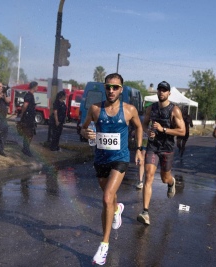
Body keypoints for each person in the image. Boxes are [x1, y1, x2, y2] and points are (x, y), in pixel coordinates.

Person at [80, 73, 143, 265]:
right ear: (104, 88)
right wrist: (86, 132)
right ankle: (117, 209)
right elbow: (83, 129)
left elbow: (139, 127)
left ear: (121, 89)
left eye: (115, 87)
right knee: (110, 198)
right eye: (108, 87)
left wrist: (139, 150)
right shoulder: (95, 109)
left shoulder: (129, 110)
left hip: (120, 159)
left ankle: (104, 245)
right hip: (101, 159)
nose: (111, 90)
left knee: (107, 197)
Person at [137, 81, 185, 226]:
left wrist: (163, 129)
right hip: (153, 146)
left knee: (164, 178)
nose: (161, 92)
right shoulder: (151, 109)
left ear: (169, 93)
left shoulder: (174, 110)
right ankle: (145, 212)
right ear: (157, 92)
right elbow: (144, 124)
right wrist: (148, 131)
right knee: (148, 176)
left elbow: (182, 131)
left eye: (164, 90)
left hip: (167, 148)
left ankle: (171, 182)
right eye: (160, 90)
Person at [20, 81, 38, 157]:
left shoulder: (31, 95)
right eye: (37, 86)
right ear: (34, 87)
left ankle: (26, 148)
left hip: (31, 117)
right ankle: (26, 149)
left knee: (30, 133)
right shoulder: (28, 95)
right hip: (27, 118)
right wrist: (21, 114)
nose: (37, 88)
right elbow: (25, 105)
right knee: (28, 133)